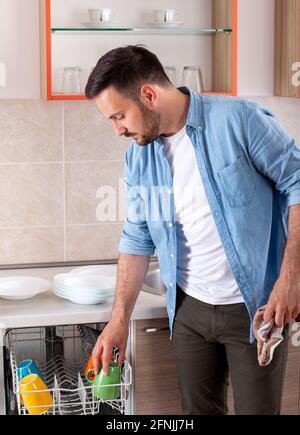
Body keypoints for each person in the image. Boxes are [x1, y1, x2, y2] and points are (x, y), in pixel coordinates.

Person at [85, 45, 300, 415]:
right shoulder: (140, 155)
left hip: (254, 309)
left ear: (149, 94)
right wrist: (118, 321)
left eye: (120, 115)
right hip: (188, 312)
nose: (118, 128)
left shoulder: (238, 120)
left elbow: (297, 181)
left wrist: (291, 278)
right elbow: (137, 238)